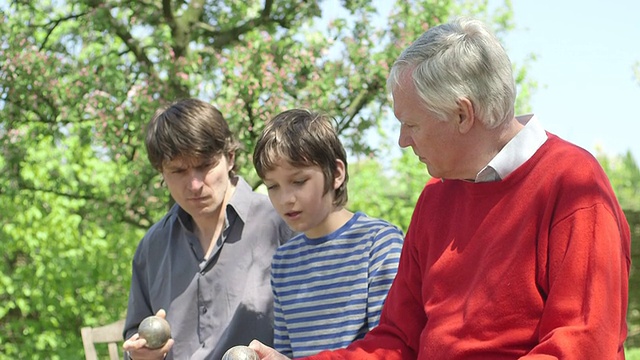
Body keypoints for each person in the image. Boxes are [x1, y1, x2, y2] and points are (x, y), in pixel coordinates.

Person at [247, 16, 632, 360]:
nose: (402, 141)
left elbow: (583, 344)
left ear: (462, 114)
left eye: (411, 125)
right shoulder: (435, 198)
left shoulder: (574, 184)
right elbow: (397, 341)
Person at [121, 98, 295, 360]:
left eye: (204, 166)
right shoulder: (152, 248)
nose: (194, 184)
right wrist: (141, 354)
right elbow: (135, 340)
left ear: (230, 157)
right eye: (178, 170)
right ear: (161, 172)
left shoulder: (283, 225)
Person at [252, 109, 405, 358]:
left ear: (336, 173)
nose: (285, 199)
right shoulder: (283, 261)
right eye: (272, 186)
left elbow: (390, 348)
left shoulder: (379, 244)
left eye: (299, 181)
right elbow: (286, 352)